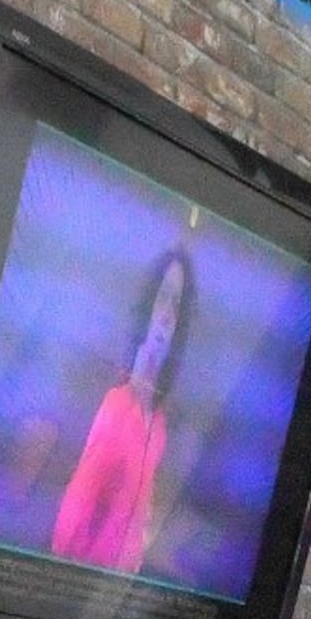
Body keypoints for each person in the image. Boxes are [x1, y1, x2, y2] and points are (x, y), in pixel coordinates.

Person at [47, 247, 190, 576]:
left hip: (117, 594)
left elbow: (142, 517)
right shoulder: (115, 403)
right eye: (162, 298)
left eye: (177, 305)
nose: (167, 316)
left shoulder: (160, 423)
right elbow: (73, 517)